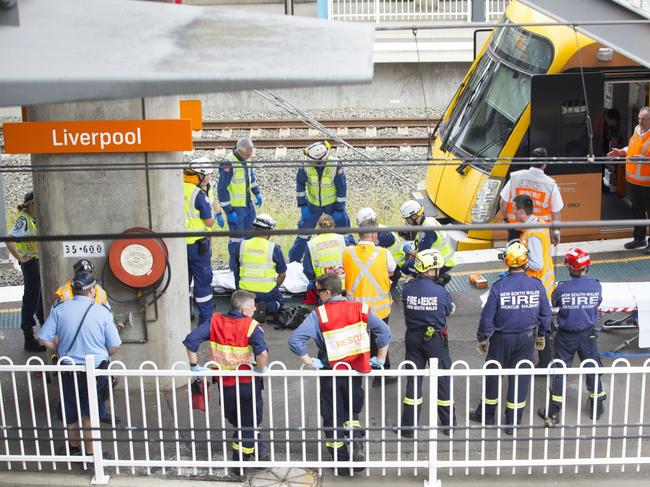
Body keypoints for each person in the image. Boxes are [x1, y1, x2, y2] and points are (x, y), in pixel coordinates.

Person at [288, 273, 391, 475]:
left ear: (327, 292)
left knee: (332, 417)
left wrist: (310, 362)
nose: (317, 296)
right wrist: (380, 359)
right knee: (352, 413)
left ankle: (342, 464)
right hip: (355, 372)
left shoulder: (320, 314)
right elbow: (385, 332)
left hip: (330, 372)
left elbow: (295, 342)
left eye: (318, 292)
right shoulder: (360, 308)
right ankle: (358, 447)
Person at [470, 242, 552, 434]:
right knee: (520, 377)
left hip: (501, 339)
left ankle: (487, 415)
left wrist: (483, 338)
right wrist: (542, 335)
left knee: (493, 375)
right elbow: (545, 314)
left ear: (507, 261)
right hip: (526, 339)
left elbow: (487, 316)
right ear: (525, 262)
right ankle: (513, 422)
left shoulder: (499, 287)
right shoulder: (536, 285)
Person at [37, 271, 121, 455]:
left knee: (71, 410)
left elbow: (42, 337)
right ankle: (91, 455)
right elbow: (115, 345)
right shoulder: (102, 312)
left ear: (74, 290)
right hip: (95, 370)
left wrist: (57, 348)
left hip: (68, 370)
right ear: (92, 290)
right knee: (91, 412)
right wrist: (103, 353)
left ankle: (73, 449)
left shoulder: (60, 310)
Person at [182, 290, 270, 466]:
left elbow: (191, 341)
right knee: (248, 424)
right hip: (247, 385)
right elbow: (262, 354)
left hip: (225, 385)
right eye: (253, 307)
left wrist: (195, 366)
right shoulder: (251, 325)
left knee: (240, 421)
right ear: (245, 310)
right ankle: (241, 463)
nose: (255, 310)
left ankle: (259, 451)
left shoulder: (215, 321)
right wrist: (260, 370)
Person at [538, 248, 606, 425]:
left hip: (566, 336)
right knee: (592, 367)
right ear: (587, 267)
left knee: (559, 370)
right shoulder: (596, 286)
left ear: (570, 268)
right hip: (588, 335)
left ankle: (554, 412)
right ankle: (596, 407)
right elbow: (597, 303)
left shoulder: (562, 289)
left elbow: (553, 303)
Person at [395, 249, 455, 438]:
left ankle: (408, 427)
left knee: (414, 380)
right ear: (429, 271)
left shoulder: (408, 288)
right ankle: (448, 424)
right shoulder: (440, 291)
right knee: (442, 379)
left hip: (413, 338)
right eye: (435, 269)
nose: (438, 272)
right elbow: (448, 311)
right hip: (435, 339)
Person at [343, 220, 396, 383]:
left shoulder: (347, 252)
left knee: (356, 340)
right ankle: (381, 373)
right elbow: (392, 270)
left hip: (355, 308)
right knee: (380, 338)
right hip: (379, 309)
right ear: (374, 235)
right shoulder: (384, 253)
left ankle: (356, 370)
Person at [288, 140, 349, 263]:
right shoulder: (305, 164)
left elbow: (341, 188)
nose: (315, 163)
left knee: (344, 231)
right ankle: (294, 260)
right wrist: (303, 205)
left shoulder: (335, 164)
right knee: (304, 232)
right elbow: (300, 185)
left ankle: (349, 257)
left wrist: (339, 208)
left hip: (333, 205)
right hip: (313, 205)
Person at [515, 194, 555, 367]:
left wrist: (518, 260)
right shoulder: (539, 224)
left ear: (522, 211)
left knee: (538, 326)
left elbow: (537, 264)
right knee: (543, 325)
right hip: (544, 285)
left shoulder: (532, 234)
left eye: (515, 210)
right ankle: (545, 361)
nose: (513, 213)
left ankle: (543, 362)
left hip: (537, 287)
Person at [184, 158, 225, 325]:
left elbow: (212, 200)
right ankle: (206, 319)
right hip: (197, 244)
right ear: (199, 174)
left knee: (183, 280)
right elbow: (208, 221)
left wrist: (218, 210)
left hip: (179, 244)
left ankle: (185, 313)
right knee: (203, 282)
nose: (209, 178)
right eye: (207, 175)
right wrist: (215, 216)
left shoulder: (179, 186)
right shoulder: (197, 193)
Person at [500, 147, 564, 244]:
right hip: (538, 233)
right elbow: (556, 214)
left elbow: (503, 202)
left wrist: (505, 219)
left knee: (514, 256)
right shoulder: (551, 186)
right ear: (545, 163)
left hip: (515, 229)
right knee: (536, 258)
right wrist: (555, 233)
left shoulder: (515, 177)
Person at [7, 191, 45, 352]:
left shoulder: (34, 218)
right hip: (31, 264)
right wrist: (21, 258)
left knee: (40, 299)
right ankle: (29, 338)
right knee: (31, 299)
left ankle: (44, 333)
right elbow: (10, 239)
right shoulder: (24, 219)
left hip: (37, 264)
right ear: (31, 204)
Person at [608, 106, 650, 252]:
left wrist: (646, 159)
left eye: (644, 119)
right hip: (634, 180)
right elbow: (631, 147)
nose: (640, 121)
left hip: (648, 182)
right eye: (639, 118)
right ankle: (639, 239)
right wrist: (621, 152)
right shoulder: (637, 129)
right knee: (637, 211)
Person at [218, 137, 263, 269]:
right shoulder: (228, 163)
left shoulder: (246, 160)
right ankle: (235, 267)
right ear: (239, 150)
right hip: (236, 208)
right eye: (247, 155)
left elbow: (251, 179)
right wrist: (229, 211)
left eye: (251, 154)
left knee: (250, 237)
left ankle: (247, 265)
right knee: (236, 240)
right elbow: (222, 189)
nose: (249, 157)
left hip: (247, 205)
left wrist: (257, 192)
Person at [233, 213, 287, 321]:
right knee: (279, 302)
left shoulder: (241, 246)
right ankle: (265, 308)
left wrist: (238, 289)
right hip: (267, 292)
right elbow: (282, 274)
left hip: (245, 291)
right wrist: (275, 286)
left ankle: (247, 309)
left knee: (239, 304)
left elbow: (236, 271)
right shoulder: (274, 248)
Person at [399, 200, 456, 285]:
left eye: (407, 219)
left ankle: (433, 282)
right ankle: (440, 275)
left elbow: (420, 255)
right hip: (445, 258)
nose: (406, 222)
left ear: (414, 216)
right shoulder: (429, 220)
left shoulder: (427, 230)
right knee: (411, 263)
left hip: (443, 262)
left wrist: (408, 250)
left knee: (406, 268)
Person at [355, 207, 405, 286]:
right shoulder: (378, 229)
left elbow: (365, 250)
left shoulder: (383, 236)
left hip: (395, 268)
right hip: (392, 265)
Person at [303, 213, 346, 304]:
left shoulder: (311, 244)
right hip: (344, 289)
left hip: (324, 291)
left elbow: (308, 272)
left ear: (318, 226)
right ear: (333, 226)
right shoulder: (343, 239)